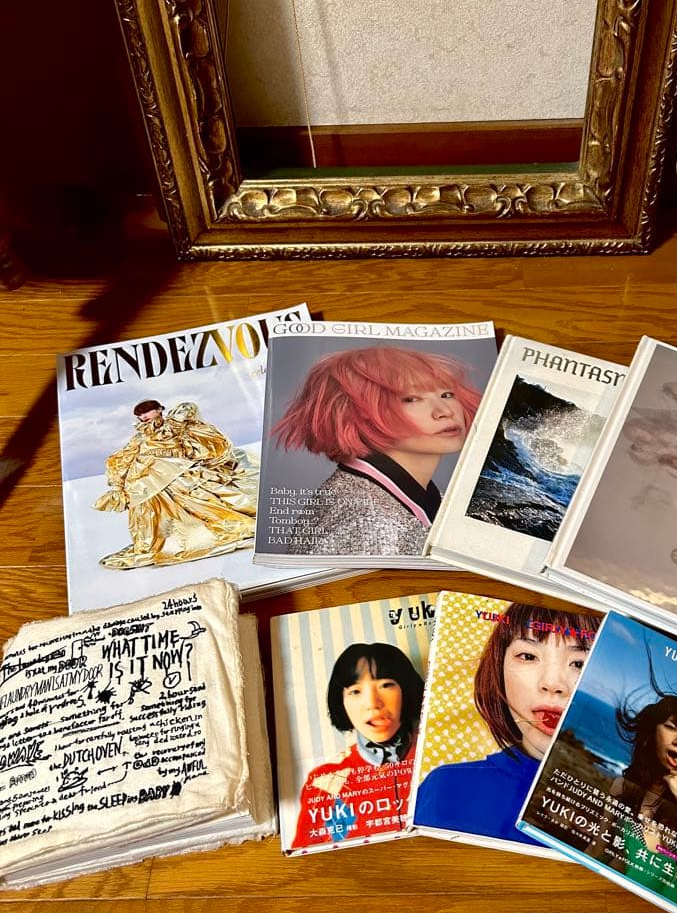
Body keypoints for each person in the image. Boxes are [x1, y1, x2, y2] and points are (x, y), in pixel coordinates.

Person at [414, 603, 601, 846]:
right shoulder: (447, 788)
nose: (553, 683)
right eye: (528, 656)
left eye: (579, 663)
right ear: (498, 667)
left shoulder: (632, 810)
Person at [273, 347, 482, 556]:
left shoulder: (387, 496)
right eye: (411, 399)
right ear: (358, 412)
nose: (445, 411)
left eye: (447, 394)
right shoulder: (370, 524)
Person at [593, 685, 677, 913]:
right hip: (611, 901)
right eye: (671, 727)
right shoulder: (623, 787)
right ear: (651, 733)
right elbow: (597, 850)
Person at [93, 399, 258, 569]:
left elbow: (189, 409)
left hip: (178, 475)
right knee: (149, 513)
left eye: (147, 411)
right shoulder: (140, 437)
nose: (143, 416)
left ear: (159, 409)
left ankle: (200, 532)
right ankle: (158, 543)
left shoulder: (174, 427)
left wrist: (177, 421)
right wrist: (117, 485)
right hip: (147, 482)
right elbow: (122, 459)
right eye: (140, 414)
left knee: (199, 503)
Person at [292, 642, 424, 849]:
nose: (372, 703)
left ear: (406, 691)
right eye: (355, 691)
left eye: (386, 685)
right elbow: (305, 853)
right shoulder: (322, 781)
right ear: (341, 702)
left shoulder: (437, 755)